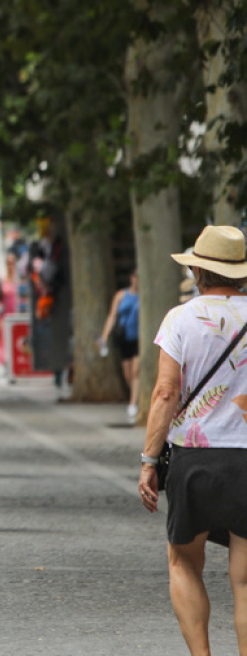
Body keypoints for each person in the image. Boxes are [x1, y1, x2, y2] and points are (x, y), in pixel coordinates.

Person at [140, 226, 247, 654]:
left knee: (184, 561)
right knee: (245, 578)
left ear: (198, 269)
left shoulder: (180, 318)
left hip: (194, 458)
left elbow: (166, 393)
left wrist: (148, 459)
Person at [100, 269, 140, 421]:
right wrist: (104, 336)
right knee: (128, 373)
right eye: (135, 277)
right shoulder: (121, 295)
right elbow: (112, 316)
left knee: (136, 371)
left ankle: (132, 403)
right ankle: (134, 396)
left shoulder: (143, 297)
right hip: (124, 337)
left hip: (138, 339)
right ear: (131, 278)